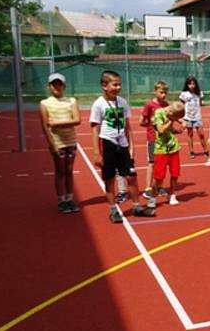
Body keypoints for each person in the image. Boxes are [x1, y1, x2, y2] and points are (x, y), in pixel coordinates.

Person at [90, 70, 155, 223]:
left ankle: (137, 206)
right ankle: (113, 210)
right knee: (110, 178)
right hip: (107, 143)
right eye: (115, 84)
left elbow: (127, 126)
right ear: (104, 85)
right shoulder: (98, 104)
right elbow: (94, 129)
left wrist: (131, 146)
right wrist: (96, 153)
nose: (118, 87)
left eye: (120, 84)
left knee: (131, 176)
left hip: (123, 145)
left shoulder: (123, 102)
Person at [39, 72, 81, 213]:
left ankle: (70, 199)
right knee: (60, 171)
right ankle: (61, 200)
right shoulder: (44, 104)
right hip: (57, 142)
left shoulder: (71, 101)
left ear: (64, 86)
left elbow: (77, 120)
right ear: (49, 86)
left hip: (71, 141)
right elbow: (45, 125)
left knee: (69, 171)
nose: (57, 87)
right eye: (54, 84)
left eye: (59, 84)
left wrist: (56, 123)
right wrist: (52, 145)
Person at [149, 101, 185, 207]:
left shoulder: (173, 112)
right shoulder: (159, 113)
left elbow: (182, 120)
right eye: (174, 116)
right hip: (161, 149)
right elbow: (160, 130)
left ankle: (172, 194)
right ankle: (153, 197)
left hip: (173, 147)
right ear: (170, 112)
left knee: (175, 173)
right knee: (158, 177)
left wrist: (182, 125)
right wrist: (171, 120)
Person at [140, 81, 169, 199]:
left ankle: (159, 186)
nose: (164, 95)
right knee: (152, 163)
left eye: (165, 92)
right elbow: (141, 122)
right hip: (153, 138)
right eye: (161, 92)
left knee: (162, 164)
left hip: (164, 138)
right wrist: (150, 122)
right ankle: (148, 187)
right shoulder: (150, 105)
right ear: (155, 92)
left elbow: (169, 119)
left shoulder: (166, 104)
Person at [179, 75, 207, 159]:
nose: (191, 85)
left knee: (201, 134)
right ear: (187, 85)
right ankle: (191, 151)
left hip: (197, 116)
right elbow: (181, 104)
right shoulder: (184, 94)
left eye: (193, 84)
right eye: (190, 84)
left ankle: (205, 150)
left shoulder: (199, 93)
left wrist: (203, 103)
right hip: (188, 117)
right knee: (190, 134)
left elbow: (200, 103)